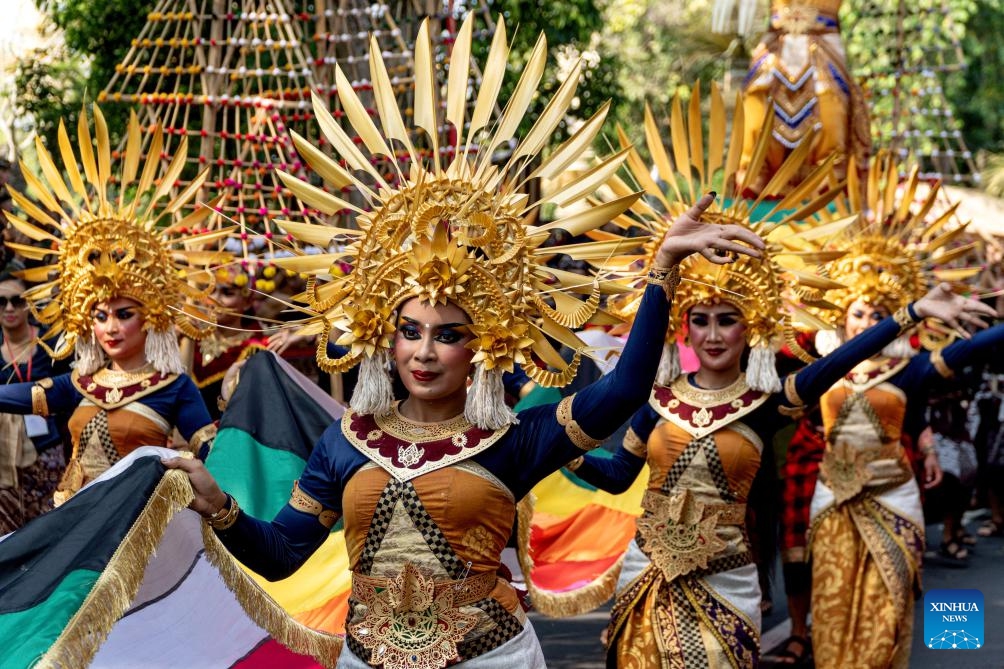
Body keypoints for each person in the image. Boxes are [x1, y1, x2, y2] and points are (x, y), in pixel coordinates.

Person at [164, 17, 768, 668]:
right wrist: (218, 504)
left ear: (480, 347)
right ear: (385, 338)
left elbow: (623, 390)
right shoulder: (347, 441)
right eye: (411, 330)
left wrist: (663, 272)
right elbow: (281, 555)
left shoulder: (513, 440)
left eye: (449, 334)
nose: (425, 351)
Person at [551, 89, 994, 668]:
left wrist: (908, 315)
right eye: (700, 321)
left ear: (749, 327)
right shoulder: (656, 402)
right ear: (685, 328)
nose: (712, 334)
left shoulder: (769, 404)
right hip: (650, 573)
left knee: (884, 610)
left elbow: (837, 362)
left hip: (737, 577)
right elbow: (615, 478)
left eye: (727, 320)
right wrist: (560, 446)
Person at [805, 160, 1004, 669]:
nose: (868, 321)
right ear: (842, 318)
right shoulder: (821, 370)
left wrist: (927, 444)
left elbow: (966, 353)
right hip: (834, 496)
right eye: (859, 312)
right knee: (832, 603)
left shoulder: (909, 369)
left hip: (894, 494)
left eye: (877, 313)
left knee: (889, 604)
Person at [0, 105, 223, 504]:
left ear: (151, 317)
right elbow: (17, 395)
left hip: (141, 527)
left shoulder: (174, 387)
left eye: (124, 315)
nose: (110, 328)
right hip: (74, 522)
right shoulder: (80, 383)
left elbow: (215, 462)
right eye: (100, 317)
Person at [712, 0, 871, 196]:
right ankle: (753, 185)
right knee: (754, 111)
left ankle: (828, 187)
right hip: (776, 44)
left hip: (824, 44)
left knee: (832, 109)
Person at [0, 274, 71, 532]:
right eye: (2, 302)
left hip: (50, 447)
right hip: (5, 454)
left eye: (17, 301)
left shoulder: (53, 344)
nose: (9, 308)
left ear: (29, 304)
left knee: (49, 525)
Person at [189, 265, 268, 419]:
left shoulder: (255, 350)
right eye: (211, 291)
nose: (215, 300)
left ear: (247, 302)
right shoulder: (190, 339)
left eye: (227, 293)